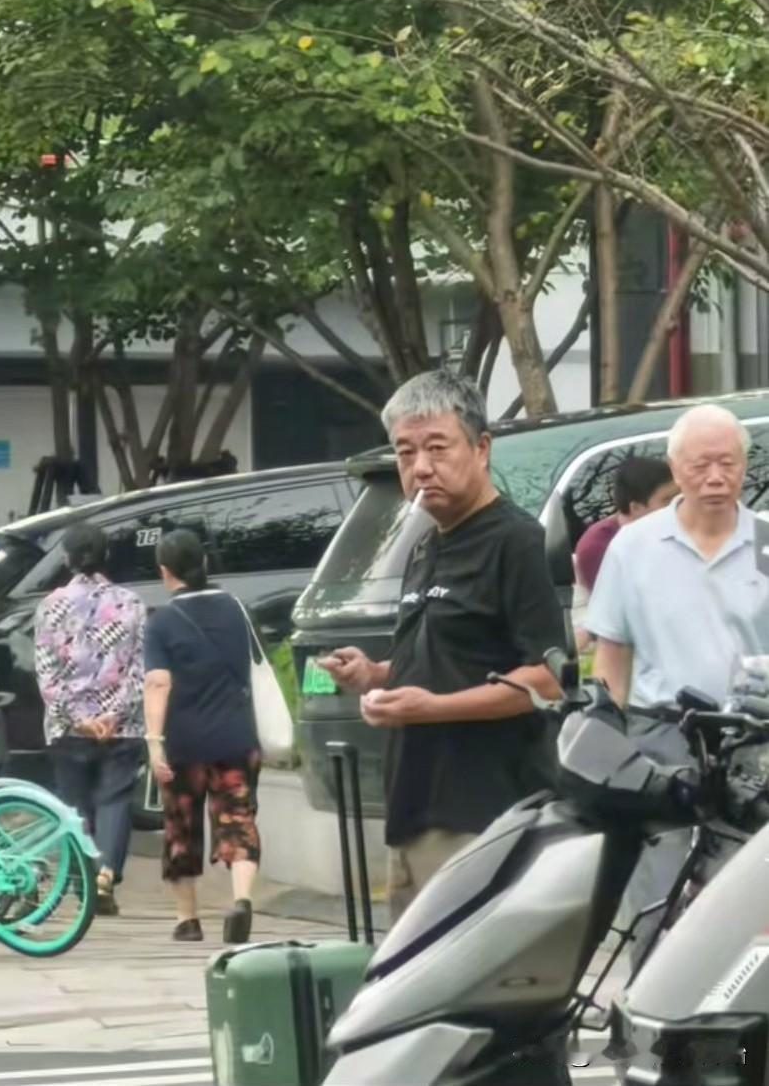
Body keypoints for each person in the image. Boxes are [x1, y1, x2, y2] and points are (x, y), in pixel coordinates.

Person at [319, 369, 565, 921]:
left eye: (437, 447)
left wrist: (434, 709)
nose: (420, 467)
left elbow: (547, 681)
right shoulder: (426, 545)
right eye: (405, 453)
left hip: (484, 811)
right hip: (413, 802)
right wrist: (376, 674)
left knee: (467, 986)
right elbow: (447, 657)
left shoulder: (516, 542)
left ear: (481, 448)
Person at [586, 403, 769, 965]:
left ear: (745, 465)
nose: (715, 478)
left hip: (752, 743)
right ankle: (662, 1042)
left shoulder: (765, 542)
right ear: (675, 467)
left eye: (728, 464)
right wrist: (605, 733)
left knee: (745, 904)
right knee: (658, 903)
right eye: (700, 465)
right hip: (660, 739)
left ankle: (742, 1046)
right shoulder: (634, 547)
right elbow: (610, 660)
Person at [144, 528, 260, 944]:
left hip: (184, 743)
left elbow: (158, 683)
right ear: (204, 564)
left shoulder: (161, 622)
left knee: (181, 827)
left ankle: (187, 919)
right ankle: (242, 898)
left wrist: (154, 742)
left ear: (165, 571)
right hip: (235, 736)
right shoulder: (235, 607)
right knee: (238, 818)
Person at [34, 522, 146, 916]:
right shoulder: (132, 604)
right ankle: (107, 874)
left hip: (69, 728)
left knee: (75, 803)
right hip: (122, 726)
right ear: (106, 556)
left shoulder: (50, 606)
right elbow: (138, 672)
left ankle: (84, 881)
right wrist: (114, 715)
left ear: (66, 558)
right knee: (115, 799)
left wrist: (78, 719)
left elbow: (47, 676)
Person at [574, 456, 677, 595]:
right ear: (636, 507)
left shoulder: (680, 529)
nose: (677, 504)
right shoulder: (597, 547)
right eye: (667, 501)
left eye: (679, 496)